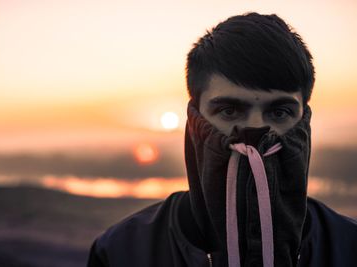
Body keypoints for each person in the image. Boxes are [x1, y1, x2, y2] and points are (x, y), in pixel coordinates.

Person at [87, 12, 357, 267]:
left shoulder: (349, 246)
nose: (256, 128)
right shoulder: (122, 252)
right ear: (195, 120)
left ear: (303, 119)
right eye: (229, 110)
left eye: (279, 111)